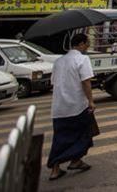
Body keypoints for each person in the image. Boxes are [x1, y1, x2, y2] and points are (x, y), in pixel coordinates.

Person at [47, 33, 96, 180]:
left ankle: (63, 166)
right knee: (84, 134)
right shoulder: (82, 59)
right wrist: (91, 101)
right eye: (87, 43)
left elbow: (54, 82)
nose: (88, 45)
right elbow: (86, 82)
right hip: (77, 106)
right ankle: (74, 160)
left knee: (60, 137)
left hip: (59, 107)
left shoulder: (59, 61)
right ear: (81, 44)